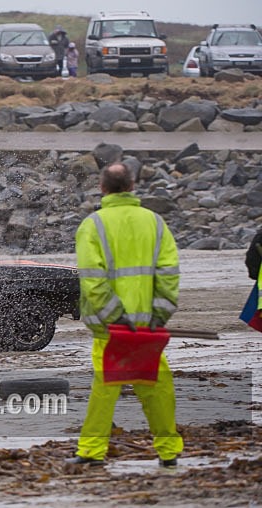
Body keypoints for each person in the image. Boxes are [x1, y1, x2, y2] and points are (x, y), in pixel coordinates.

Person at [68, 162, 183, 468]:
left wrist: (115, 317)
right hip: (147, 324)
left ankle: (92, 451)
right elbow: (169, 274)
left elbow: (93, 281)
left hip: (110, 328)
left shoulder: (93, 225)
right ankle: (169, 451)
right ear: (133, 186)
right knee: (157, 389)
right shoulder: (155, 222)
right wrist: (159, 315)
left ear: (102, 188)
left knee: (104, 390)